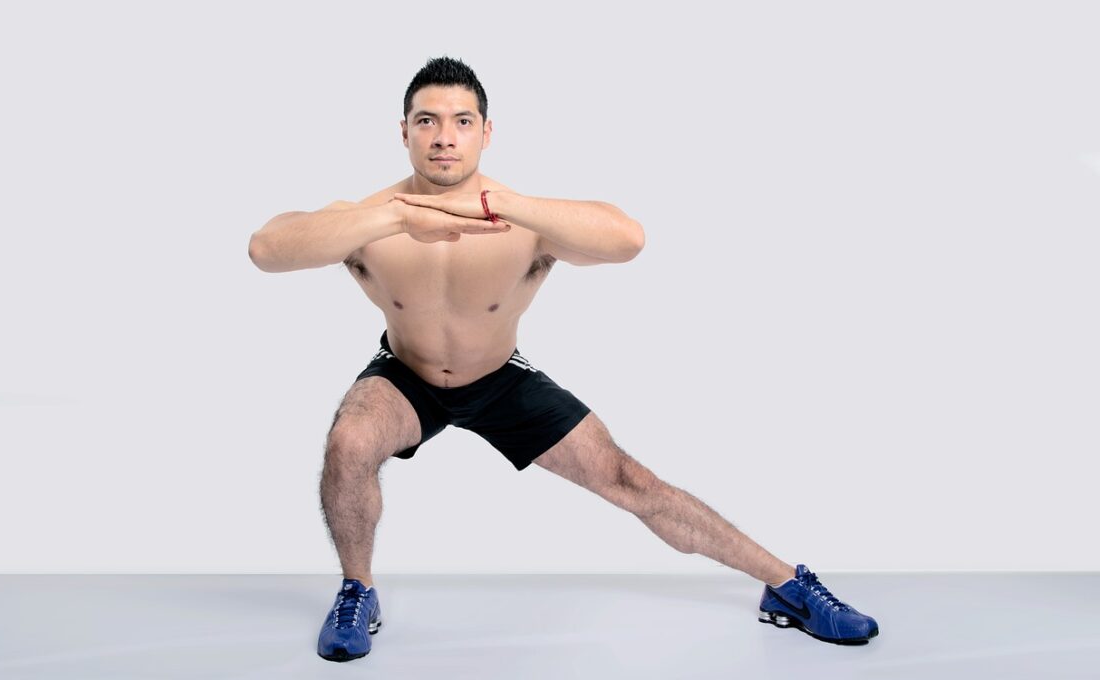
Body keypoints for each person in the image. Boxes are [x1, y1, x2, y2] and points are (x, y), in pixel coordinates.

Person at [248, 57, 879, 663]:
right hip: (405, 376)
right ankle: (357, 592)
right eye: (427, 121)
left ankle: (786, 585)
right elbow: (266, 249)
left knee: (629, 479)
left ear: (486, 133)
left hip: (498, 378)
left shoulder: (525, 219)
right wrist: (396, 217)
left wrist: (497, 206)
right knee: (349, 443)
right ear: (404, 132)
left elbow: (628, 238)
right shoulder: (368, 218)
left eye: (462, 121)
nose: (444, 137)